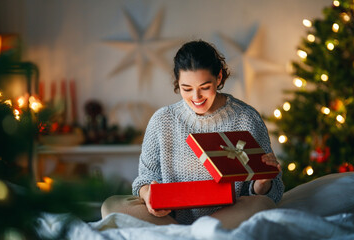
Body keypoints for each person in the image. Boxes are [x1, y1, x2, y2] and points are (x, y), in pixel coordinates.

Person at [101, 40, 284, 229]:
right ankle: (191, 234)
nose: (196, 97)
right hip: (170, 218)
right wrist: (147, 194)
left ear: (219, 78)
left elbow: (273, 192)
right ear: (177, 83)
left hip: (229, 216)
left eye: (205, 87)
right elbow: (145, 178)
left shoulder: (246, 119)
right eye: (186, 89)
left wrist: (262, 183)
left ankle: (191, 234)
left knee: (262, 204)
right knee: (112, 206)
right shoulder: (162, 120)